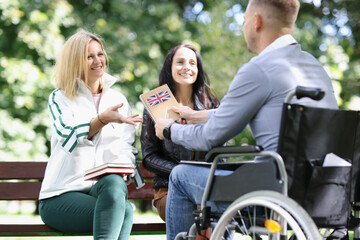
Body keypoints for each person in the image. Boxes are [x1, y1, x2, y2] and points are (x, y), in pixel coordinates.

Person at [154, 0, 339, 239]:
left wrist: (170, 130)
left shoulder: (259, 69)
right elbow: (243, 112)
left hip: (275, 190)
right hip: (323, 191)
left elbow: (210, 138)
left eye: (243, 21)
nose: (243, 28)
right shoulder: (315, 68)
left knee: (180, 175)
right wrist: (194, 116)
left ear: (257, 22)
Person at [38, 31, 143, 240]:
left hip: (102, 193)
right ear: (75, 61)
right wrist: (102, 120)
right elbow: (68, 134)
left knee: (115, 185)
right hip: (60, 197)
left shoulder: (118, 99)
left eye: (100, 54)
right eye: (89, 56)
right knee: (125, 212)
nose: (98, 61)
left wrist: (124, 168)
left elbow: (127, 147)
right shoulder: (60, 97)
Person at [140, 44, 219, 221]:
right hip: (169, 190)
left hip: (204, 188)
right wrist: (182, 173)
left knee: (211, 212)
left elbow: (220, 150)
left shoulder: (210, 105)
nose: (187, 67)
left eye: (192, 63)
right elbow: (148, 157)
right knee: (199, 213)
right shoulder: (156, 104)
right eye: (180, 62)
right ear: (170, 67)